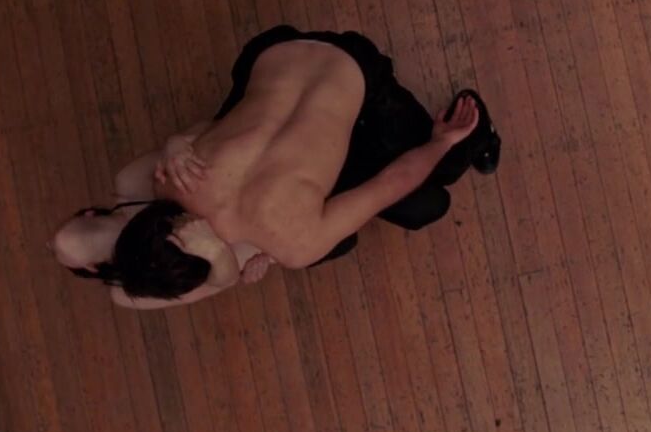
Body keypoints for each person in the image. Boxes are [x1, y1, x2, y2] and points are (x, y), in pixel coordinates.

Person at [52, 26, 500, 309]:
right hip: (276, 48)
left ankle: (476, 133)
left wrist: (441, 142)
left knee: (434, 182)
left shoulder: (295, 244)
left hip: (355, 69)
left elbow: (394, 180)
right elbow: (216, 126)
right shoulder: (171, 180)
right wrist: (178, 144)